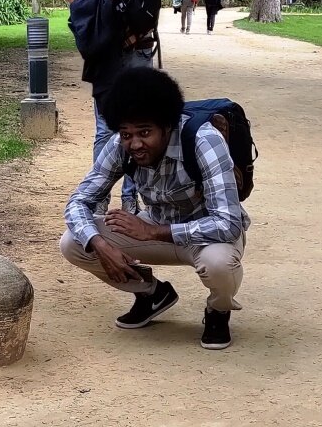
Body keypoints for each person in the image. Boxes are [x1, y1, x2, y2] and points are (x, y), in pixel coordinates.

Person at [59, 67, 249, 350]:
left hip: (206, 234)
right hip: (152, 228)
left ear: (167, 126)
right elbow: (79, 201)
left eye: (145, 132)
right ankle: (152, 294)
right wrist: (99, 243)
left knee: (218, 265)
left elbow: (229, 223)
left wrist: (154, 232)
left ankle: (218, 310)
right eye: (126, 134)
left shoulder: (203, 140)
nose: (134, 143)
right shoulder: (120, 145)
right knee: (74, 242)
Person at [68, 0, 161, 215]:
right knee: (106, 129)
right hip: (105, 52)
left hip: (138, 44)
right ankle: (99, 198)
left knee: (140, 127)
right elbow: (76, 7)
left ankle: (131, 197)